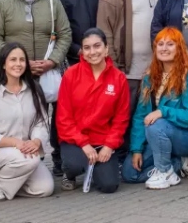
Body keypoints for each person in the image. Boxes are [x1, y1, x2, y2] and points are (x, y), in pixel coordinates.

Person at [0, 0, 72, 169]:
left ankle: (60, 159)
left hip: (48, 70)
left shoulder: (52, 1)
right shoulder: (2, 2)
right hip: (16, 73)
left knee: (58, 116)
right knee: (25, 118)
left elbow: (65, 33)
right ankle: (31, 160)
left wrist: (52, 61)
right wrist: (16, 63)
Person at [124, 28, 188, 188]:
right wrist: (136, 149)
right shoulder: (150, 78)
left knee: (156, 124)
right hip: (158, 135)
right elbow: (140, 115)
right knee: (130, 173)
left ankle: (165, 171)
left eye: (170, 44)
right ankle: (178, 164)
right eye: (160, 44)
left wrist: (163, 111)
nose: (164, 48)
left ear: (180, 48)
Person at [0, 42, 54, 201]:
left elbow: (42, 122)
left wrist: (36, 141)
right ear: (3, 64)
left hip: (25, 152)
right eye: (13, 60)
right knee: (29, 160)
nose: (18, 64)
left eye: (22, 60)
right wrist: (16, 143)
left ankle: (8, 186)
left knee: (45, 188)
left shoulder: (34, 90)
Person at [97, 0, 170, 115]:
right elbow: (104, 31)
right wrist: (114, 66)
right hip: (127, 71)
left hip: (159, 68)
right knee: (126, 118)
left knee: (156, 116)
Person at [56, 29, 132, 193]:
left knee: (109, 186)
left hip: (102, 141)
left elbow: (121, 119)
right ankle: (70, 173)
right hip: (76, 140)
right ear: (82, 51)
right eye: (87, 48)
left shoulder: (118, 78)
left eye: (97, 46)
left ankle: (96, 168)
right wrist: (84, 144)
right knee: (74, 164)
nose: (92, 52)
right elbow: (64, 118)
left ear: (106, 49)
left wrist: (109, 146)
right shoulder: (71, 75)